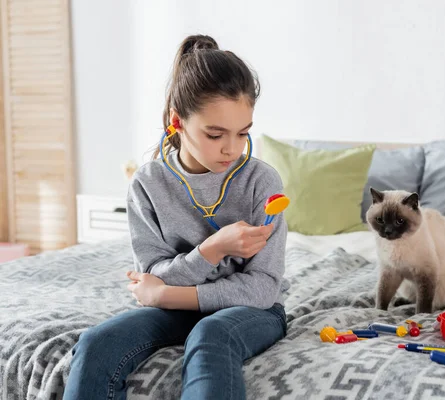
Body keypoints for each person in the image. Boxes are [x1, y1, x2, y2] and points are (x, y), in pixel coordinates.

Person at [63, 34, 289, 400]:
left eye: (243, 134)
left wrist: (168, 293)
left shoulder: (261, 181)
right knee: (95, 342)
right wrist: (212, 250)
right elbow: (151, 273)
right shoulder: (148, 184)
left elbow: (263, 288)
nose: (231, 148)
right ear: (177, 122)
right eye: (215, 134)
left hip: (250, 313)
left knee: (211, 334)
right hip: (172, 308)